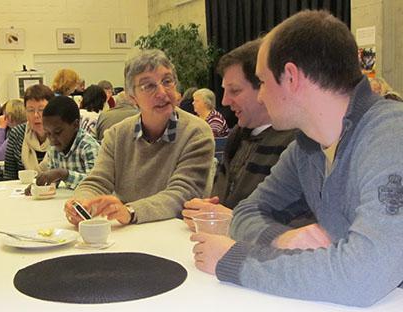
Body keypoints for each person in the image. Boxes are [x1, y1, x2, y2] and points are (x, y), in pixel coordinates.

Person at [191, 10, 403, 307]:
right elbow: (245, 212)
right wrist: (281, 239)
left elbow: (363, 276)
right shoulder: (307, 147)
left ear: (290, 77)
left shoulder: (391, 138)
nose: (261, 95)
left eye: (262, 81)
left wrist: (234, 261)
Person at [63, 49, 215, 226]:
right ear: (132, 97)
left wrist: (130, 211)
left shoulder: (196, 133)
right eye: (148, 86)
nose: (162, 92)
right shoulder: (117, 135)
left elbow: (182, 193)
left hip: (176, 235)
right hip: (128, 234)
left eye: (167, 81)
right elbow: (97, 182)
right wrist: (81, 203)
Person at [182, 39, 298, 231]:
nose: (226, 101)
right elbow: (223, 200)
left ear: (264, 86)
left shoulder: (298, 143)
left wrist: (231, 219)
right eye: (224, 91)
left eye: (234, 91)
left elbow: (301, 229)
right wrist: (203, 210)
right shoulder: (237, 136)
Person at [29, 96, 99, 190]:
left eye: (58, 132)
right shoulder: (54, 148)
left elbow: (96, 185)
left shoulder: (89, 147)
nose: (52, 139)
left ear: (75, 125)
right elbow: (53, 181)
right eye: (48, 133)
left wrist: (64, 174)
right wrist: (38, 186)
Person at [2, 84, 55, 180]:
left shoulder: (61, 134)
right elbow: (9, 176)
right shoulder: (17, 133)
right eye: (30, 110)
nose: (36, 115)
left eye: (41, 110)